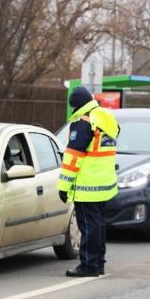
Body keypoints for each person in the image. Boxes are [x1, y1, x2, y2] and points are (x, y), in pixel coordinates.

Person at [57, 87, 119, 277]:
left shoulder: (82, 122)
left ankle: (88, 265)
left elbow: (72, 159)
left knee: (87, 226)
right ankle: (98, 262)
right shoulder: (105, 119)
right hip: (104, 185)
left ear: (75, 105)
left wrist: (63, 187)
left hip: (87, 186)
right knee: (98, 225)